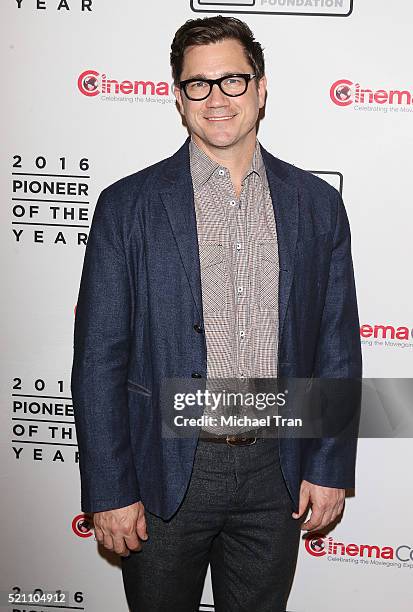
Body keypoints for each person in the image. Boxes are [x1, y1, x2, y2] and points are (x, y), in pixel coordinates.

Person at [71, 15, 362, 612]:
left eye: (234, 80)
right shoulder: (127, 207)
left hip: (275, 472)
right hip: (163, 473)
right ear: (179, 98)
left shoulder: (317, 205)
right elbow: (99, 358)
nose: (218, 98)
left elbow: (335, 344)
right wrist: (109, 489)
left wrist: (330, 466)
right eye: (199, 84)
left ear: (261, 89)